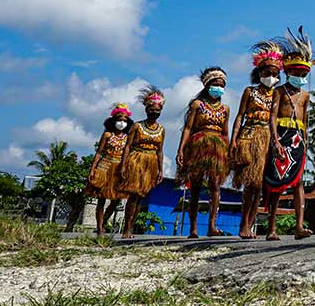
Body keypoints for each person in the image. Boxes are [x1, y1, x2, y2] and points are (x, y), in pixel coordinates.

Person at [230, 41, 283, 239]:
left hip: (266, 139)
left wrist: (276, 141)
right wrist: (234, 139)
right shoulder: (249, 92)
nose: (272, 77)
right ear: (260, 72)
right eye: (268, 73)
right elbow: (239, 116)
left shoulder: (276, 94)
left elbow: (274, 119)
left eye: (276, 74)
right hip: (248, 136)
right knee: (250, 184)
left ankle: (250, 226)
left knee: (260, 186)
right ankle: (243, 225)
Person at [265, 28, 314, 241]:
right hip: (281, 138)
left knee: (299, 182)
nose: (301, 78)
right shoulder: (279, 92)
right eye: (297, 74)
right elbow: (272, 117)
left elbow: (307, 121)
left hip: (297, 140)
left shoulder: (305, 96)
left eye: (304, 75)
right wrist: (275, 140)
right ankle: (271, 228)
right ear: (288, 73)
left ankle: (299, 226)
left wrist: (306, 142)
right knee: (276, 183)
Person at [177, 67, 230, 238]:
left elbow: (225, 132)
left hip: (218, 148)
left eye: (221, 85)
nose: (218, 87)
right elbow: (187, 128)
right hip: (198, 145)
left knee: (215, 186)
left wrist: (227, 154)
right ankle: (193, 228)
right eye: (215, 84)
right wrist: (181, 150)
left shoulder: (225, 109)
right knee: (196, 187)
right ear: (207, 85)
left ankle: (212, 226)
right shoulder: (197, 105)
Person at [118, 87, 166, 239]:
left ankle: (132, 227)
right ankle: (127, 228)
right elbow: (128, 146)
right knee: (133, 196)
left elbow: (160, 151)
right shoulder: (137, 126)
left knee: (141, 197)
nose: (155, 112)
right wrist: (124, 165)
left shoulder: (161, 130)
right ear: (146, 109)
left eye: (158, 110)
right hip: (136, 161)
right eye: (152, 109)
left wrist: (160, 170)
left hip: (150, 163)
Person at [84, 102, 132, 236]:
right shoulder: (107, 135)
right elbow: (99, 153)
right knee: (101, 198)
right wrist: (93, 169)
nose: (122, 122)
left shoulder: (128, 137)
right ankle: (99, 228)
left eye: (125, 120)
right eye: (119, 119)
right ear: (114, 120)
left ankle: (104, 221)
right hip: (104, 166)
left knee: (116, 200)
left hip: (119, 168)